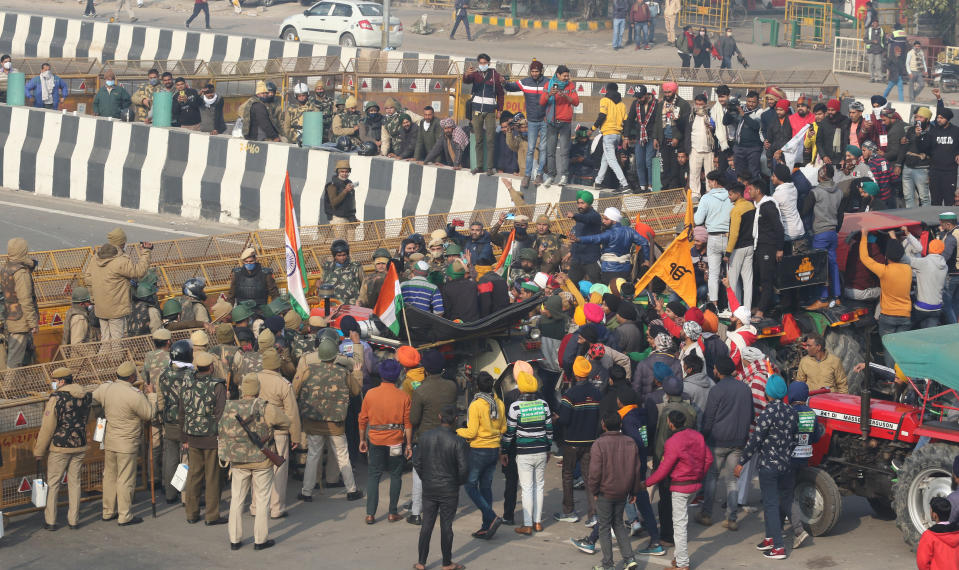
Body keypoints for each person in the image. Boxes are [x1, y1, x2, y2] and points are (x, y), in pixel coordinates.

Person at [220, 373, 291, 551]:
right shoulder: (264, 407)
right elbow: (286, 422)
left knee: (236, 500)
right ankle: (260, 540)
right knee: (262, 501)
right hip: (261, 461)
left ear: (243, 389)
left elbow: (221, 429)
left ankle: (234, 539)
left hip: (238, 461)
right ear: (258, 389)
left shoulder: (228, 406)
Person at [735, 374, 797, 561]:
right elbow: (794, 438)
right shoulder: (791, 412)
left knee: (770, 504)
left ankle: (778, 547)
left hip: (769, 466)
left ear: (767, 393)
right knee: (776, 503)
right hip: (786, 465)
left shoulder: (767, 414)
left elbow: (755, 440)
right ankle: (770, 538)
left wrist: (741, 462)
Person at [295, 336, 364, 503]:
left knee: (313, 456)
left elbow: (295, 389)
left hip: (313, 421)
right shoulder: (343, 372)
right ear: (335, 356)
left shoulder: (308, 371)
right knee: (342, 456)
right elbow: (355, 391)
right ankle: (351, 490)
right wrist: (357, 372)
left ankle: (306, 492)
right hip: (336, 423)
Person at [644, 410, 713, 570]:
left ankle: (682, 564)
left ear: (670, 423)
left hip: (680, 487)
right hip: (694, 485)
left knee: (680, 525)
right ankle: (679, 557)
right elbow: (708, 458)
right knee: (681, 521)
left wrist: (646, 483)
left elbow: (663, 470)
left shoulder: (673, 442)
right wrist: (698, 474)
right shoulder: (698, 436)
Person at [92, 361, 155, 526]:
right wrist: (153, 396)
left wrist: (101, 413)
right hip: (127, 443)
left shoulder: (106, 388)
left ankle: (107, 511)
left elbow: (93, 399)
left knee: (110, 477)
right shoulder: (134, 395)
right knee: (125, 479)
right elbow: (148, 414)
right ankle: (124, 515)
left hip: (110, 441)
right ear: (132, 377)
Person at [697, 355, 752, 530]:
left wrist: (703, 436)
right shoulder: (745, 388)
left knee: (712, 477)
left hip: (718, 441)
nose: (713, 371)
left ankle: (706, 514)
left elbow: (709, 418)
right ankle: (732, 518)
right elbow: (750, 416)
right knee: (732, 481)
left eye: (714, 368)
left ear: (719, 371)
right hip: (738, 441)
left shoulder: (717, 390)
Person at [33, 367, 91, 530]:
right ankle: (74, 520)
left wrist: (39, 451)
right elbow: (87, 418)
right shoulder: (85, 395)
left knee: (53, 483)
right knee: (75, 482)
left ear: (62, 381)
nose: (53, 383)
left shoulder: (57, 398)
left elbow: (48, 427)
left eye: (55, 380)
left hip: (60, 446)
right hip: (79, 444)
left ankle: (51, 520)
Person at [583, 412, 642, 570]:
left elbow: (594, 472)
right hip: (623, 491)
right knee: (619, 524)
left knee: (604, 527)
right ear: (620, 424)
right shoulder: (630, 442)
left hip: (605, 491)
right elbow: (637, 470)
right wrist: (634, 491)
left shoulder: (599, 443)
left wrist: (594, 491)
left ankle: (607, 564)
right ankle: (630, 559)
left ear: (603, 425)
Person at [414, 404, 469, 570]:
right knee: (446, 526)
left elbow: (417, 462)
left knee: (427, 525)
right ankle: (446, 563)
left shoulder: (425, 437)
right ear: (456, 420)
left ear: (439, 417)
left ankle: (421, 562)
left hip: (430, 487)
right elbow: (464, 469)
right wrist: (456, 482)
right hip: (449, 489)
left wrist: (426, 478)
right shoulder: (458, 441)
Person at [359, 359, 413, 524]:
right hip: (396, 440)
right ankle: (392, 512)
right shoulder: (403, 396)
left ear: (381, 375)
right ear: (397, 376)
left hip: (375, 438)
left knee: (374, 474)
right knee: (396, 474)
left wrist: (362, 439)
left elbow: (362, 420)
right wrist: (409, 444)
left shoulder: (370, 394)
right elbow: (408, 424)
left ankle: (370, 514)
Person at [409, 350, 459, 525]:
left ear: (425, 369)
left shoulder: (421, 391)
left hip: (425, 438)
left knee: (419, 475)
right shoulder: (452, 387)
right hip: (447, 436)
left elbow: (414, 419)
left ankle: (416, 512)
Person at [501, 371, 552, 535]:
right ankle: (537, 523)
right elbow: (549, 431)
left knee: (527, 488)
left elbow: (510, 433)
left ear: (521, 388)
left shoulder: (515, 407)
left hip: (524, 453)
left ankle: (528, 524)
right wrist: (548, 448)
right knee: (539, 487)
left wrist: (504, 450)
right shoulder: (544, 404)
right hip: (541, 451)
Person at [457, 371, 506, 539]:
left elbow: (471, 433)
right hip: (494, 449)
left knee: (470, 486)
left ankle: (491, 517)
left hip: (479, 450)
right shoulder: (498, 402)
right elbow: (503, 428)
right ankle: (486, 526)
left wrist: (457, 430)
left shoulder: (476, 404)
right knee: (485, 488)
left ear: (477, 386)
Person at [180, 351, 227, 525]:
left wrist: (184, 436)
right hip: (211, 438)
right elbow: (221, 413)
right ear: (212, 367)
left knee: (194, 475)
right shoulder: (218, 386)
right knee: (212, 477)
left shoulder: (187, 383)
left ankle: (191, 513)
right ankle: (212, 515)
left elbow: (182, 411)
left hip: (192, 436)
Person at [554, 356, 602, 523]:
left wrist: (556, 418)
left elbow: (564, 420)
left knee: (568, 475)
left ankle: (569, 512)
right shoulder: (597, 393)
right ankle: (593, 514)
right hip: (591, 442)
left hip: (572, 443)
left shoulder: (570, 394)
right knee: (590, 478)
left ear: (575, 373)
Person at [858, 229, 913, 367]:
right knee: (901, 348)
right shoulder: (908, 269)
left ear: (887, 257)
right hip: (905, 316)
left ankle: (892, 379)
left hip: (888, 316)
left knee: (889, 348)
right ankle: (903, 379)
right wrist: (893, 237)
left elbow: (865, 258)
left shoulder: (884, 271)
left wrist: (864, 236)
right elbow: (901, 254)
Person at [89, 231, 152, 344]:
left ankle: (102, 361)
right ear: (122, 243)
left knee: (105, 340)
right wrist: (146, 252)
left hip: (100, 308)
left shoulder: (96, 258)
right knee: (117, 342)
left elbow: (88, 278)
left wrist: (97, 294)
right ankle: (116, 361)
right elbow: (139, 271)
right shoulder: (120, 261)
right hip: (116, 309)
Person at [786, 381, 823, 550]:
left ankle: (796, 528)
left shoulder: (789, 412)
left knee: (787, 491)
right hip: (805, 456)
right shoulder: (811, 413)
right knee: (795, 487)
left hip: (790, 457)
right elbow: (815, 437)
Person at [803, 164, 844, 309]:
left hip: (820, 233)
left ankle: (823, 297)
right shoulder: (839, 192)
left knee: (820, 266)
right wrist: (836, 229)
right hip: (833, 232)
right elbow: (841, 214)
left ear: (821, 175)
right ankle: (837, 296)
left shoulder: (816, 192)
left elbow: (804, 211)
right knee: (833, 264)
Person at [572, 207, 650, 283]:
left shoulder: (609, 233)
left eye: (606, 219)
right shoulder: (630, 231)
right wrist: (647, 260)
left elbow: (594, 238)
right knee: (622, 291)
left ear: (614, 221)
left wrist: (579, 239)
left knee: (610, 292)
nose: (603, 221)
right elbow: (645, 242)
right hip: (625, 269)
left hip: (609, 270)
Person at [503, 60, 547, 186]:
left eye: (537, 71)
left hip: (544, 121)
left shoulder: (548, 82)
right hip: (532, 121)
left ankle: (539, 175)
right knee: (530, 149)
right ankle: (527, 175)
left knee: (543, 148)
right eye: (532, 71)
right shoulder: (525, 82)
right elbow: (511, 87)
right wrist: (503, 82)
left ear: (541, 71)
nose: (534, 74)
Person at [695, 171, 732, 306]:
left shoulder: (706, 198)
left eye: (709, 182)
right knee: (731, 274)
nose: (708, 184)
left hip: (713, 238)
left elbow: (698, 219)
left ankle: (714, 306)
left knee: (713, 274)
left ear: (715, 182)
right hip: (729, 238)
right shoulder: (731, 195)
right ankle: (731, 306)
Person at [463, 54, 504, 175]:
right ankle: (479, 166)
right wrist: (466, 74)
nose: (482, 65)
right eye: (480, 63)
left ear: (489, 63)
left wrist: (500, 110)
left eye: (485, 63)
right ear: (478, 63)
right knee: (478, 139)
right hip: (476, 111)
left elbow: (500, 94)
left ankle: (490, 167)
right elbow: (466, 81)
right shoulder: (475, 74)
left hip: (490, 111)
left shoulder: (494, 75)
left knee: (490, 139)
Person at [750, 178, 784, 318]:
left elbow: (778, 227)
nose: (749, 191)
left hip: (768, 247)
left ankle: (761, 310)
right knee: (757, 277)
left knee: (766, 279)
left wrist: (779, 248)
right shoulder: (757, 206)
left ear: (758, 191)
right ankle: (758, 304)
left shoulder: (768, 206)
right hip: (758, 246)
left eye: (751, 189)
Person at [541, 65, 579, 186]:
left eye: (567, 76)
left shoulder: (570, 86)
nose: (566, 78)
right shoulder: (548, 84)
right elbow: (541, 102)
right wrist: (549, 94)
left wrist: (565, 96)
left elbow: (576, 102)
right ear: (558, 75)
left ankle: (564, 176)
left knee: (564, 151)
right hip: (551, 122)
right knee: (550, 151)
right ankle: (551, 175)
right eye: (564, 76)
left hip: (565, 122)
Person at [3, 238, 38, 368]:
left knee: (16, 355)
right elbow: (26, 300)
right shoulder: (21, 272)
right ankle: (9, 387)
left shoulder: (5, 268)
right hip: (20, 320)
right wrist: (32, 322)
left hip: (10, 317)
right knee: (16, 359)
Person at [902, 232, 948, 329]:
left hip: (922, 308)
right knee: (929, 333)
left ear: (929, 248)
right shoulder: (945, 266)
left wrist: (907, 235)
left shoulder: (924, 262)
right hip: (937, 307)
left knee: (906, 329)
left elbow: (904, 259)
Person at [593, 83, 630, 194]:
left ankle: (624, 184)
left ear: (607, 90)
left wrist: (593, 127)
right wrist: (624, 137)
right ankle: (598, 182)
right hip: (617, 135)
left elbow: (602, 115)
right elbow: (626, 122)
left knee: (612, 160)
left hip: (608, 134)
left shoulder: (605, 101)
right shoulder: (622, 105)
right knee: (606, 158)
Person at [723, 182, 754, 312]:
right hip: (750, 246)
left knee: (733, 282)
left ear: (738, 194)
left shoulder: (736, 210)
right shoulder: (751, 205)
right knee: (748, 281)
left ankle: (734, 310)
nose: (729, 197)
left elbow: (734, 234)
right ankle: (746, 310)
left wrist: (728, 253)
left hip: (738, 249)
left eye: (730, 194)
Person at [656, 82, 691, 189]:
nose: (667, 94)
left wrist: (677, 137)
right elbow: (657, 122)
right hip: (664, 140)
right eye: (665, 92)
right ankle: (665, 188)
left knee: (674, 166)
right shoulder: (661, 104)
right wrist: (655, 138)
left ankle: (673, 188)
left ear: (674, 91)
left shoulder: (683, 104)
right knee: (664, 166)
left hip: (677, 141)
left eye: (669, 92)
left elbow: (686, 124)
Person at [624, 85, 659, 193]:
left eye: (641, 97)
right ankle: (642, 185)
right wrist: (626, 137)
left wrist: (656, 138)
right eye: (637, 97)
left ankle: (651, 185)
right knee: (639, 162)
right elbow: (629, 120)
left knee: (649, 161)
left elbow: (658, 122)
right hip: (640, 136)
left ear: (646, 95)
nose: (639, 99)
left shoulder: (656, 104)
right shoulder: (636, 104)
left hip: (652, 136)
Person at [927, 90, 959, 206]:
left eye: (941, 118)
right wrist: (939, 99)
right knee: (935, 201)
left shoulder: (956, 131)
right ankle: (936, 224)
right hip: (935, 171)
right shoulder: (934, 129)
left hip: (950, 172)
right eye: (938, 118)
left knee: (949, 200)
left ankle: (949, 224)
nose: (938, 119)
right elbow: (940, 111)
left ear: (947, 119)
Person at [566, 191, 603, 282]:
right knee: (571, 284)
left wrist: (574, 215)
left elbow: (587, 219)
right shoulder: (579, 217)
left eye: (582, 203)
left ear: (589, 203)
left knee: (597, 285)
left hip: (591, 259)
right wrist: (571, 252)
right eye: (578, 203)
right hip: (577, 258)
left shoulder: (595, 216)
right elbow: (577, 237)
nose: (579, 206)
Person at [900, 106, 933, 208]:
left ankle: (926, 220)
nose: (918, 119)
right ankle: (911, 220)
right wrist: (898, 164)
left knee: (924, 198)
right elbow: (905, 147)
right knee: (908, 197)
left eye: (921, 117)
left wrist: (919, 136)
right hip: (908, 167)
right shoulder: (911, 130)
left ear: (927, 119)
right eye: (917, 117)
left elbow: (926, 148)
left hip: (921, 169)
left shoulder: (932, 132)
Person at [916, 497, 959, 570]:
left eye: (931, 510)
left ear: (935, 515)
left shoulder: (929, 535)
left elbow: (922, 562)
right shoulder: (957, 532)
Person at [730, 91, 764, 179]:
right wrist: (730, 109)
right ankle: (741, 192)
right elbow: (725, 122)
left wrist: (744, 115)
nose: (751, 104)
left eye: (753, 102)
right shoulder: (741, 110)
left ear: (758, 102)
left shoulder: (759, 112)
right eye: (749, 101)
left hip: (753, 148)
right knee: (739, 173)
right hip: (739, 147)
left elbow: (756, 126)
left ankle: (754, 191)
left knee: (753, 172)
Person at [938, 212, 959, 324]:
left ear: (948, 224)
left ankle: (953, 327)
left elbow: (945, 256)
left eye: (941, 223)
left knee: (947, 304)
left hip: (952, 275)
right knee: (956, 303)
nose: (940, 225)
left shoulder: (951, 237)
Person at [864, 18, 885, 83]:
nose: (875, 24)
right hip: (871, 50)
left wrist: (883, 49)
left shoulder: (881, 30)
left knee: (878, 65)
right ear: (872, 24)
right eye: (874, 23)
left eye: (876, 23)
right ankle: (872, 78)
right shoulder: (869, 30)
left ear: (878, 23)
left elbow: (884, 40)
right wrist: (872, 41)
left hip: (878, 50)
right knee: (870, 64)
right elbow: (865, 39)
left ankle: (880, 78)